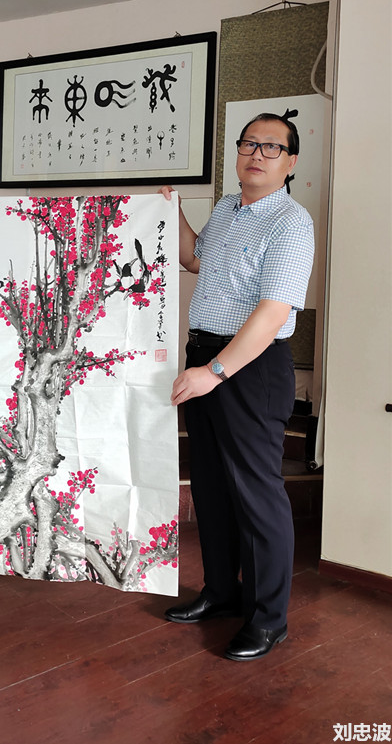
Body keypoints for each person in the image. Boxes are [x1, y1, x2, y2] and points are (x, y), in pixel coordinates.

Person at [161, 113, 314, 660]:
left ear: (290, 162)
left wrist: (215, 372)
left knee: (257, 494)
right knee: (211, 485)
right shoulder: (227, 208)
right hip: (204, 355)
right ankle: (222, 592)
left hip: (249, 366)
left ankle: (269, 619)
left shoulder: (291, 222)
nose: (257, 154)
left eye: (272, 147)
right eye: (249, 144)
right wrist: (173, 211)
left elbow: (274, 312)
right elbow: (194, 259)